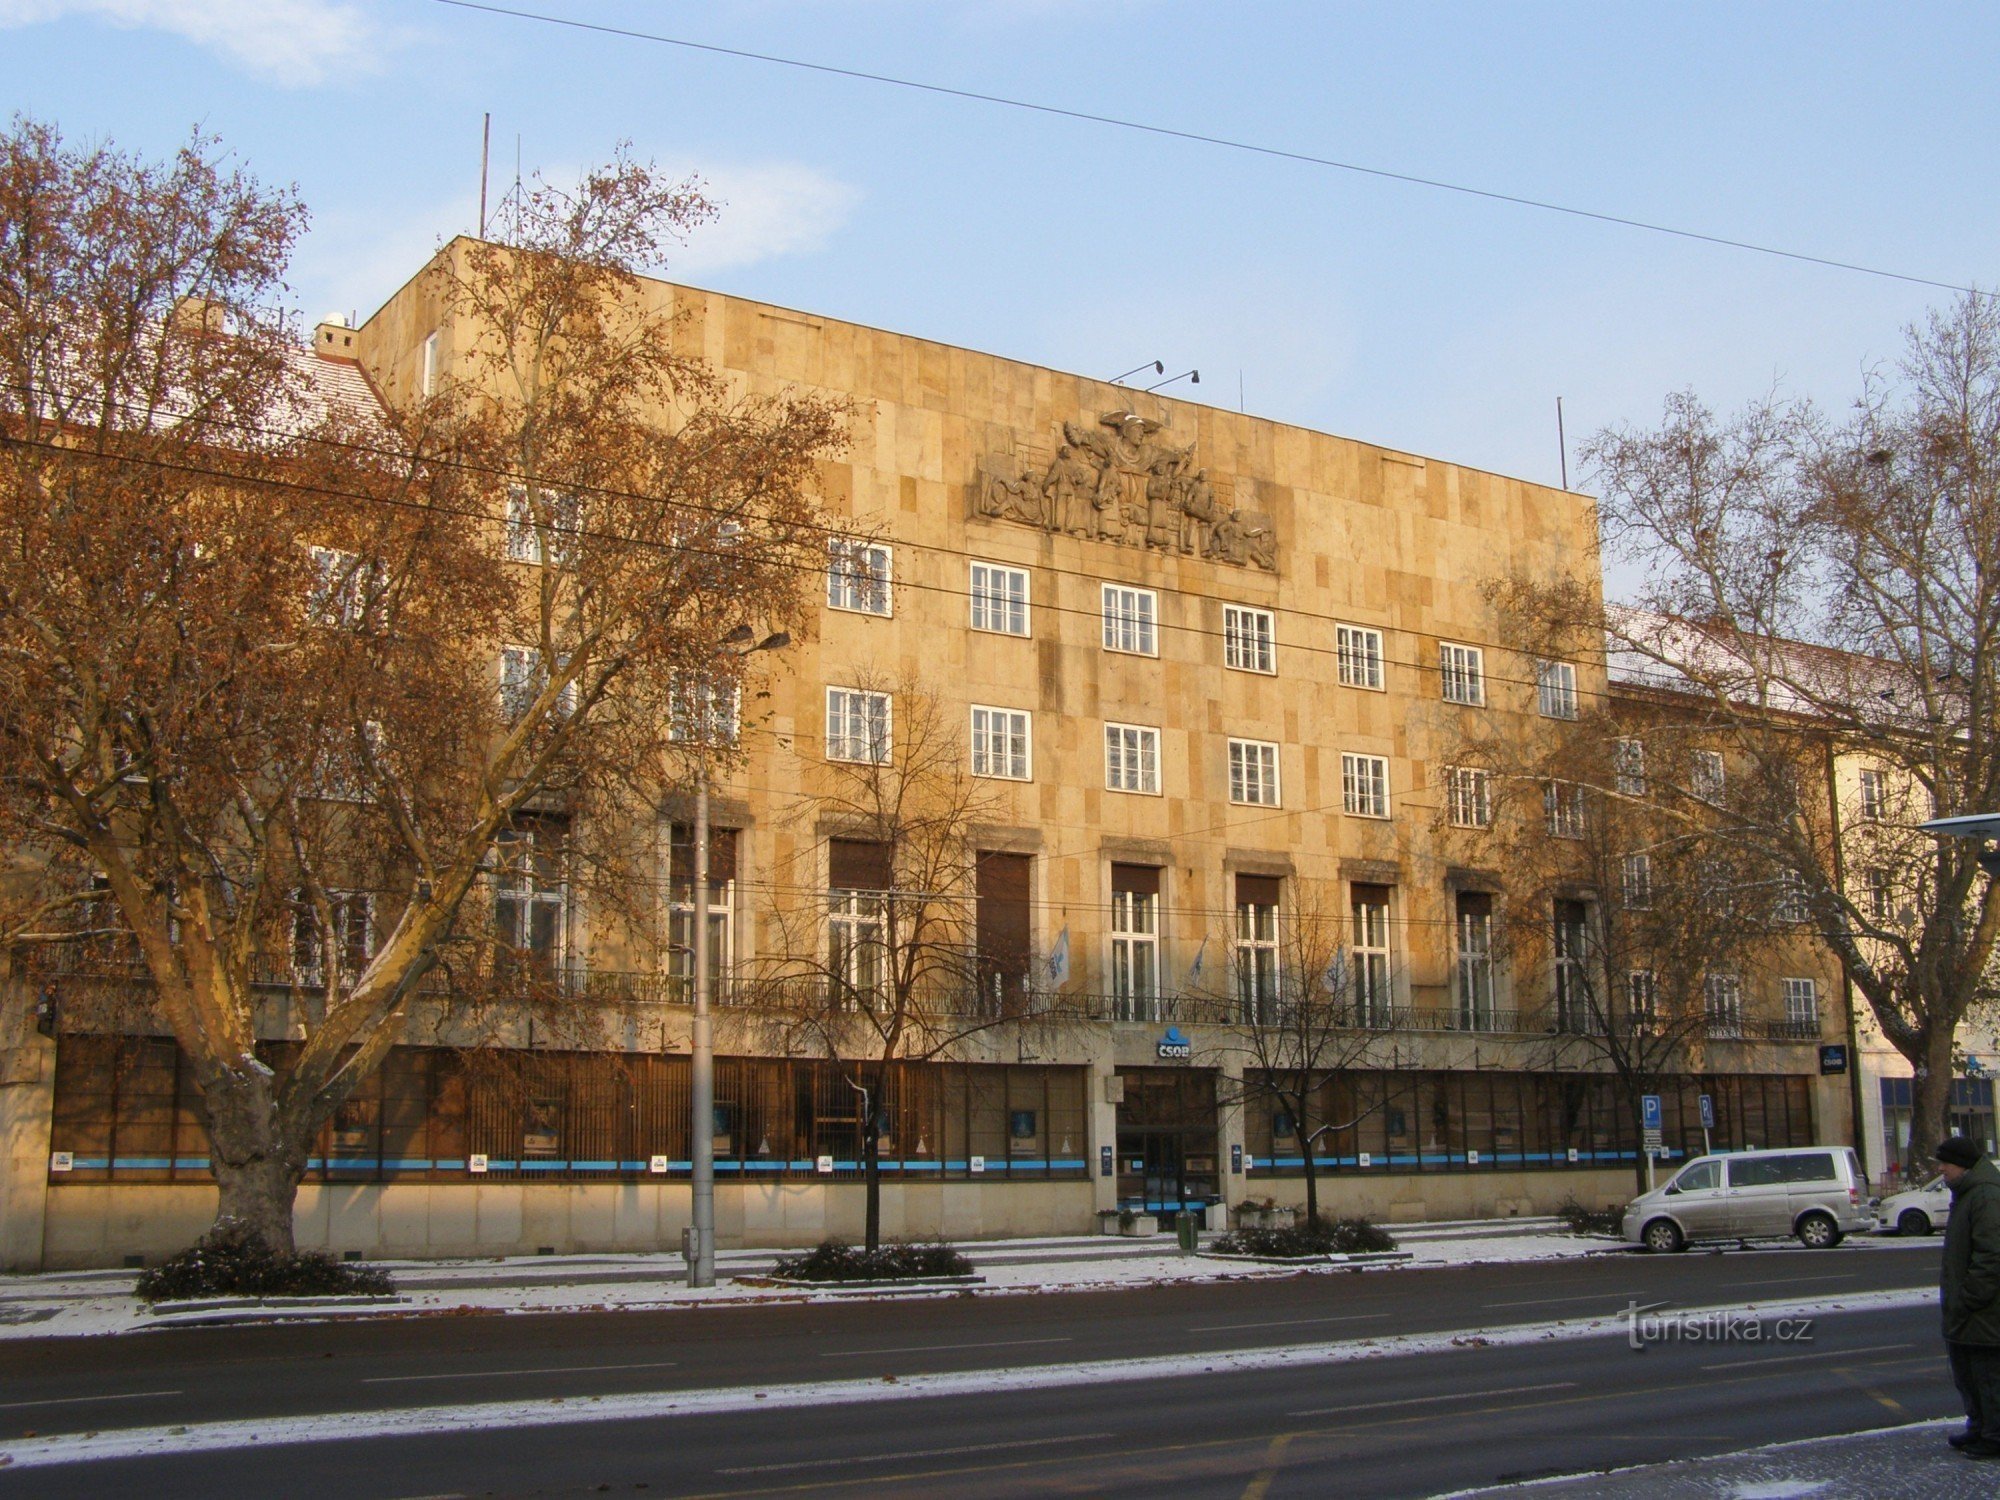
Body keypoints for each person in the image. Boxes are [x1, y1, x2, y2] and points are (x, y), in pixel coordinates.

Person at [1937, 1134, 2000, 1457]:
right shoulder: (1967, 1194)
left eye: (1945, 1164)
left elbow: (1992, 1256)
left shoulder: (1986, 1196)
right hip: (1968, 1308)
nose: (1942, 1170)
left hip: (1984, 1310)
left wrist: (1969, 1297)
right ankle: (1979, 1427)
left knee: (1988, 1375)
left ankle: (1994, 1435)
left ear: (1961, 1165)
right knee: (1968, 1373)